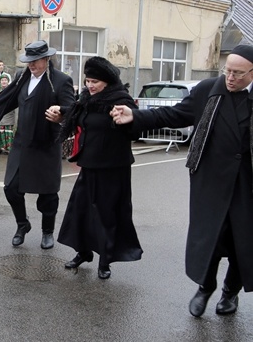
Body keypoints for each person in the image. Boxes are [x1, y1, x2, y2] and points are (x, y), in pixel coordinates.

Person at [111, 43, 253, 316]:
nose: (231, 78)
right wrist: (135, 116)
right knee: (210, 239)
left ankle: (229, 293)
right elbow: (173, 115)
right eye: (228, 71)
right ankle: (205, 287)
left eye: (239, 73)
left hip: (247, 185)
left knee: (242, 242)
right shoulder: (208, 90)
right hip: (210, 182)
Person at [46, 57, 141, 279]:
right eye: (88, 80)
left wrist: (125, 121)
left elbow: (135, 131)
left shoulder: (120, 100)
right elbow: (75, 113)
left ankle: (105, 260)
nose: (90, 85)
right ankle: (84, 252)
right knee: (82, 211)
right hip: (89, 165)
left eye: (95, 81)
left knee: (106, 214)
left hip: (113, 168)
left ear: (107, 81)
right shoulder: (87, 99)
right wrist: (61, 113)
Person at [0, 40, 75, 249]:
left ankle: (47, 232)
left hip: (46, 144)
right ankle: (22, 224)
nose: (31, 65)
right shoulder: (23, 76)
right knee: (11, 188)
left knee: (48, 194)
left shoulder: (61, 81)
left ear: (46, 59)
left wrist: (61, 115)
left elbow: (71, 109)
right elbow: (5, 98)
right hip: (22, 143)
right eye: (28, 61)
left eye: (35, 61)